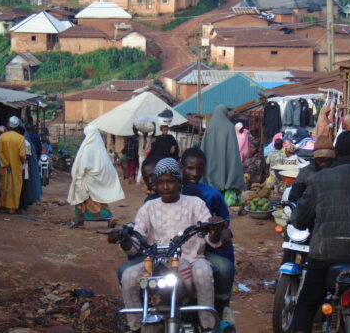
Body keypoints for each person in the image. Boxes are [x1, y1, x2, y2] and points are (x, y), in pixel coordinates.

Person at [116, 158, 222, 333]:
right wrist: (125, 240)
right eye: (161, 182)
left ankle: (207, 326)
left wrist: (214, 230)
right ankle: (134, 325)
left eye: (170, 181)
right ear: (155, 185)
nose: (166, 187)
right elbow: (135, 244)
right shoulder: (148, 208)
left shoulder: (196, 204)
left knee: (203, 273)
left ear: (179, 182)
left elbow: (211, 239)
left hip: (192, 259)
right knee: (128, 276)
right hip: (156, 261)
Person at [290, 131, 350, 333]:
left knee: (306, 305)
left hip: (325, 256)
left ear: (337, 153)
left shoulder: (319, 179)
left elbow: (299, 219)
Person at [181, 148, 235, 316]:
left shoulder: (211, 194)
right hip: (174, 250)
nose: (194, 173)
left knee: (225, 268)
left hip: (204, 248)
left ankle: (221, 308)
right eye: (190, 168)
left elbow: (223, 219)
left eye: (199, 169)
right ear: (181, 166)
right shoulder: (171, 189)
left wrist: (223, 229)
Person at [67, 124, 124, 228]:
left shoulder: (87, 147)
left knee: (80, 200)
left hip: (86, 180)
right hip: (94, 180)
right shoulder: (100, 147)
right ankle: (108, 218)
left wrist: (77, 175)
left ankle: (80, 221)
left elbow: (83, 165)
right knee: (98, 201)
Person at [202, 105, 244, 192]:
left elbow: (203, 148)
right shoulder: (229, 127)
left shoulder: (209, 127)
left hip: (209, 167)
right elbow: (233, 151)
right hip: (225, 167)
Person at [288, 136, 335, 203]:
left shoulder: (337, 171)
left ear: (332, 159)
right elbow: (294, 196)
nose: (323, 164)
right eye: (320, 161)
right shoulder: (305, 172)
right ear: (315, 159)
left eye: (327, 160)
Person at [0, 116, 26, 213]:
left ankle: (2, 204)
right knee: (15, 186)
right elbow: (22, 155)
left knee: (4, 184)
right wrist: (22, 161)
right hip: (16, 166)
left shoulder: (2, 136)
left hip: (5, 167)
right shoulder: (20, 138)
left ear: (9, 125)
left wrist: (5, 163)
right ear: (17, 125)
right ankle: (12, 208)